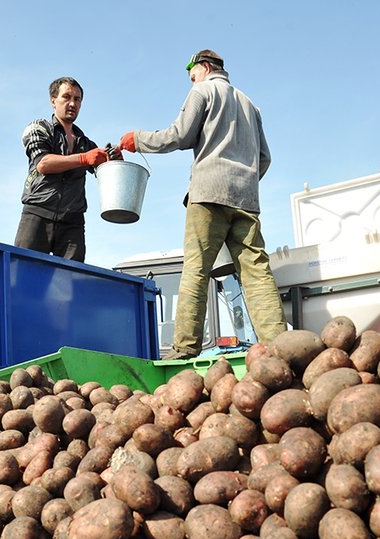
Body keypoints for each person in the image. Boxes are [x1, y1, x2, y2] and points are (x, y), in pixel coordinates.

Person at [119, 50, 286, 360]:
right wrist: (244, 181)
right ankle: (280, 347)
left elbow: (178, 136)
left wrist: (137, 139)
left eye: (191, 73)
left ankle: (184, 349)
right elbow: (265, 158)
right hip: (246, 200)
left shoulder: (202, 90)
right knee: (257, 273)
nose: (190, 79)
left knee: (196, 269)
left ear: (205, 67)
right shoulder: (251, 105)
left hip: (208, 194)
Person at [15, 77, 119, 262]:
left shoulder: (85, 142)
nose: (72, 103)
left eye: (77, 99)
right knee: (24, 276)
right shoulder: (39, 128)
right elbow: (43, 164)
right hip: (37, 214)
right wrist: (83, 158)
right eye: (67, 97)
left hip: (72, 223)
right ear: (53, 101)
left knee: (71, 282)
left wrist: (115, 160)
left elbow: (109, 175)